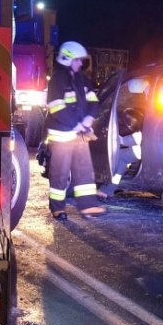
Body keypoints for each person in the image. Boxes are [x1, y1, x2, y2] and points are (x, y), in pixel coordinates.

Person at [45, 40, 105, 219]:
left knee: (84, 171)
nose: (80, 63)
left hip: (79, 134)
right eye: (77, 60)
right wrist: (77, 124)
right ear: (67, 59)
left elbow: (93, 100)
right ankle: (57, 208)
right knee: (60, 174)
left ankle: (88, 205)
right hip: (62, 135)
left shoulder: (81, 79)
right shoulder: (58, 79)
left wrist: (89, 118)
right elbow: (56, 107)